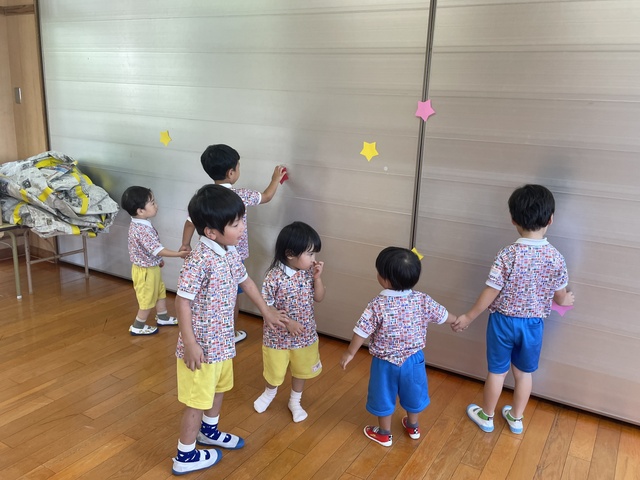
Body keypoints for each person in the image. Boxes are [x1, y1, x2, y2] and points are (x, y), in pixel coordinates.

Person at [172, 185, 290, 475]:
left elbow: (246, 281)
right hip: (201, 347)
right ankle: (184, 456)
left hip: (222, 341)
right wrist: (190, 343)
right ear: (211, 232)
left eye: (241, 221)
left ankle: (208, 432)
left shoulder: (230, 251)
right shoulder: (199, 260)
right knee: (197, 401)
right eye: (236, 224)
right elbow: (182, 301)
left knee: (219, 388)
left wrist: (266, 311)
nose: (242, 228)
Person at [452, 184, 575, 435]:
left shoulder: (507, 254)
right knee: (523, 374)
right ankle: (516, 418)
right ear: (551, 219)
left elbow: (491, 291)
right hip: (532, 325)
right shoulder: (555, 257)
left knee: (497, 372)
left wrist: (468, 316)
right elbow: (560, 295)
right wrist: (566, 300)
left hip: (502, 322)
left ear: (513, 220)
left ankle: (486, 416)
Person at [340, 247, 456, 447]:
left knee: (383, 395)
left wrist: (350, 352)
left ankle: (384, 434)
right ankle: (413, 426)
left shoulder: (377, 304)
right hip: (414, 360)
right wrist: (457, 321)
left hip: (385, 363)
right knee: (414, 392)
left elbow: (361, 330)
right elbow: (444, 315)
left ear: (385, 280)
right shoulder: (422, 299)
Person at [180, 144, 287, 343]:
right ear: (231, 172)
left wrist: (185, 244)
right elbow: (266, 196)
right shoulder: (240, 195)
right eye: (236, 224)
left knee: (228, 291)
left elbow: (189, 222)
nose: (242, 227)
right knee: (232, 295)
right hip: (204, 336)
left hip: (230, 255)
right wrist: (275, 180)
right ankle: (231, 332)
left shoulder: (205, 201)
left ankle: (227, 334)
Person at [254, 221, 326, 422]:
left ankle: (295, 401)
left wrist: (318, 278)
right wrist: (288, 324)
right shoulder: (273, 277)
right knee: (275, 369)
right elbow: (266, 307)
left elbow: (319, 297)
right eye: (310, 254)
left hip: (304, 336)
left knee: (301, 369)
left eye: (314, 254)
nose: (314, 259)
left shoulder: (308, 273)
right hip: (277, 338)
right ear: (290, 254)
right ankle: (269, 393)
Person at [121, 186, 187, 336]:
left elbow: (149, 249)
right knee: (147, 298)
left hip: (151, 267)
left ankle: (163, 317)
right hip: (145, 271)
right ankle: (138, 325)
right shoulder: (141, 229)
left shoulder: (142, 223)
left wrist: (158, 260)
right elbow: (156, 249)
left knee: (159, 292)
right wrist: (178, 254)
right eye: (152, 203)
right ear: (140, 211)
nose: (156, 205)